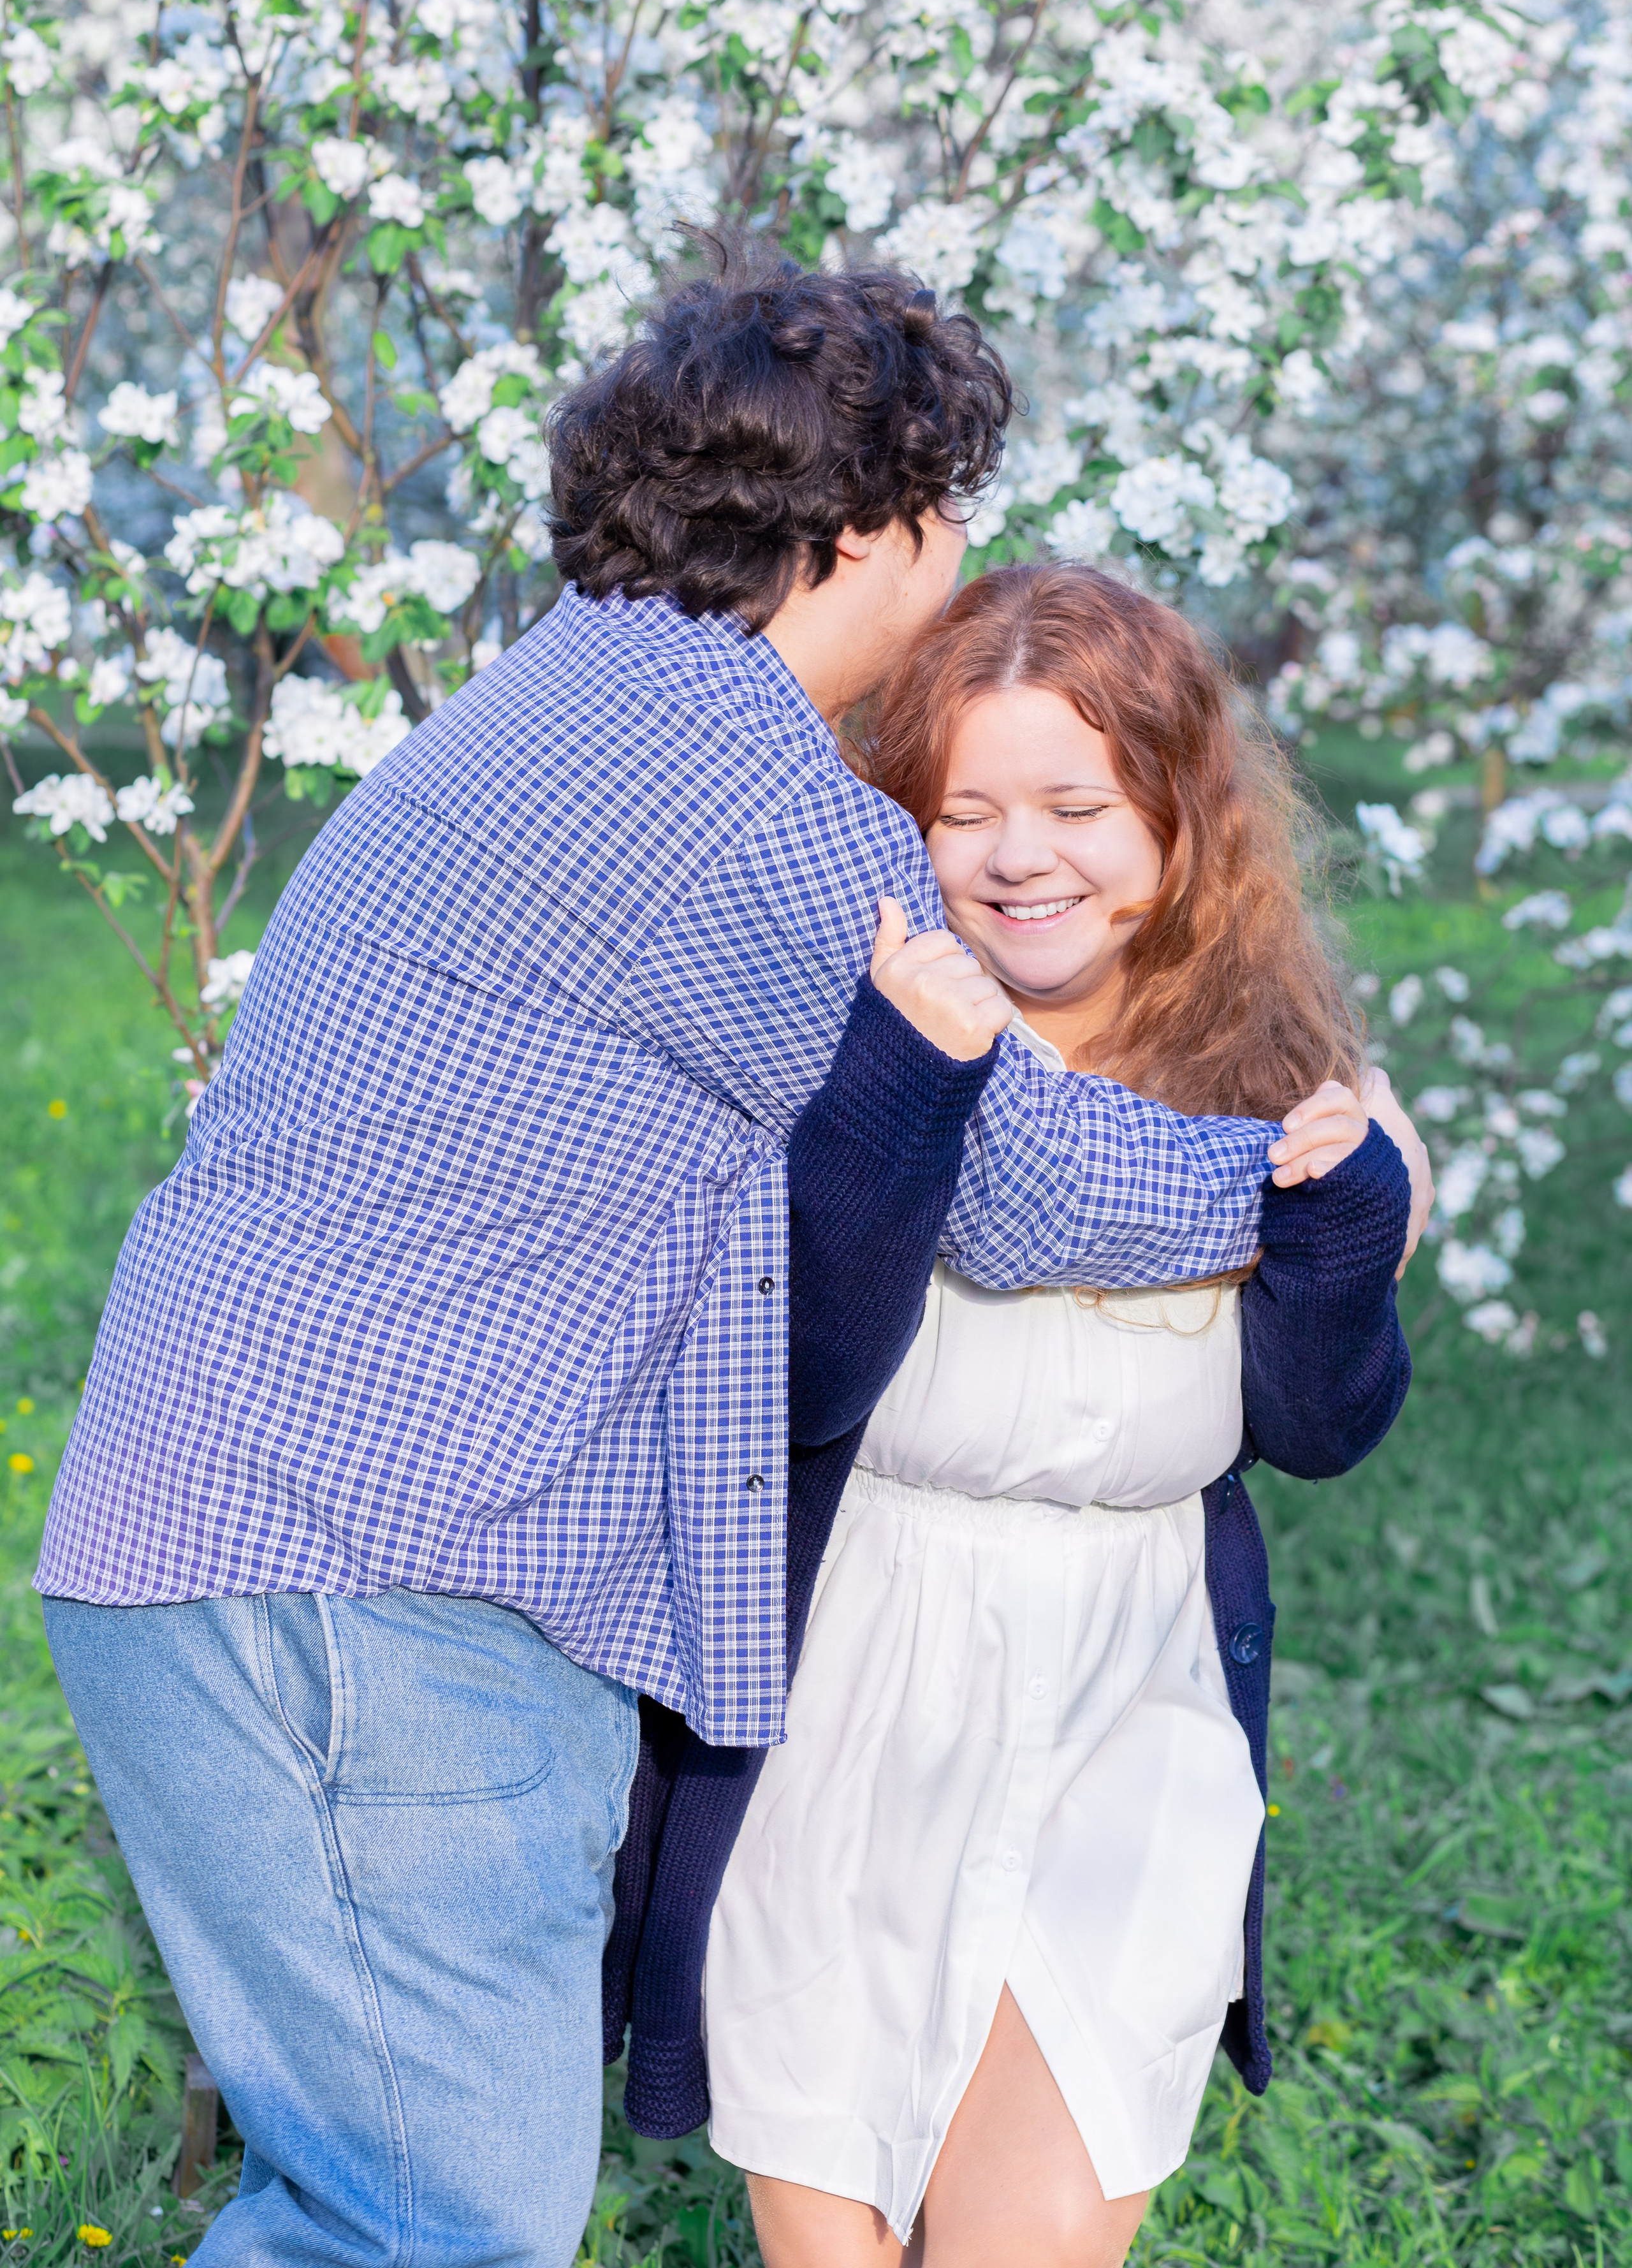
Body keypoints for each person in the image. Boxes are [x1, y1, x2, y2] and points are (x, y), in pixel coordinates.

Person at [38, 256, 1369, 2268]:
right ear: (876, 520)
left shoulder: (578, 690)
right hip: (358, 1581)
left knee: (392, 2207)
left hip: (272, 1537)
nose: (963, 563)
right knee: (424, 2225)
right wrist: (1312, 1183)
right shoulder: (744, 792)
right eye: (956, 514)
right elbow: (1018, 1180)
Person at [692, 564, 1427, 2268]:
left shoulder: (1274, 1076)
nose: (1023, 857)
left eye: (1078, 805)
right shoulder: (846, 1036)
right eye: (965, 811)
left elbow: (1321, 1424)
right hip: (853, 1683)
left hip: (1129, 1689)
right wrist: (904, 1091)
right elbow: (789, 1376)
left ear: (1177, 817)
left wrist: (1340, 1228)